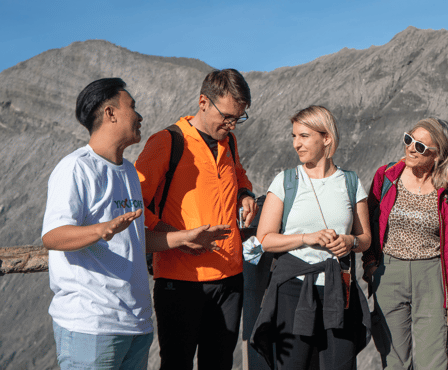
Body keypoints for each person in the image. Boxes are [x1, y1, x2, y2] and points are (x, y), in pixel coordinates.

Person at [42, 78, 228, 370]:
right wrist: (100, 230)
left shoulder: (128, 171)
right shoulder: (76, 168)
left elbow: (135, 237)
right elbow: (53, 236)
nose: (139, 116)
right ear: (110, 113)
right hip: (91, 327)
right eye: (132, 107)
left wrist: (184, 238)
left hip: (135, 325)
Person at [135, 69, 257, 370]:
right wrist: (177, 236)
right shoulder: (167, 142)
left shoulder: (230, 142)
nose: (231, 125)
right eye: (227, 116)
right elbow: (135, 207)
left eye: (238, 118)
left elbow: (238, 174)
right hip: (180, 281)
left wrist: (244, 192)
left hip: (230, 278)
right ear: (204, 102)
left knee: (219, 365)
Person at [251, 105, 372, 370]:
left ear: (326, 138)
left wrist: (349, 242)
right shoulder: (285, 181)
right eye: (294, 136)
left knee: (339, 364)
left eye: (304, 136)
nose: (296, 144)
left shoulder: (350, 182)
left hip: (339, 290)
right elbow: (264, 240)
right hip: (292, 290)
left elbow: (365, 239)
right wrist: (306, 238)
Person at [362, 118, 448, 370]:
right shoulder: (385, 176)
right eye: (409, 140)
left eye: (420, 146)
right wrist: (370, 264)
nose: (411, 148)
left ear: (437, 154)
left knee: (433, 361)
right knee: (394, 361)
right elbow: (368, 219)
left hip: (432, 276)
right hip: (389, 272)